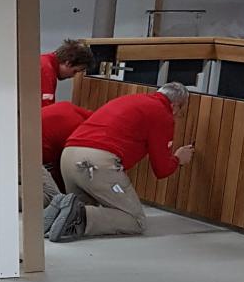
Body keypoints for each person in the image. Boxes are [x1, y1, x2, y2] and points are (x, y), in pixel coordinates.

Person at [45, 81, 195, 243]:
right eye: (180, 112)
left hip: (68, 156)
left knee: (79, 206)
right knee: (135, 220)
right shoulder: (162, 114)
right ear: (175, 106)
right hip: (95, 163)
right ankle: (79, 215)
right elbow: (162, 169)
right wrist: (178, 158)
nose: (177, 116)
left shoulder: (131, 99)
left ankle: (60, 210)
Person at [41, 99, 91, 204]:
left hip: (36, 131)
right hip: (40, 143)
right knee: (53, 196)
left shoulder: (68, 107)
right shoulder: (77, 128)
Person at [41, 40, 96, 105]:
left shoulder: (44, 60)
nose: (73, 76)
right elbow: (46, 107)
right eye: (75, 71)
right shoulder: (46, 71)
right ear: (68, 63)